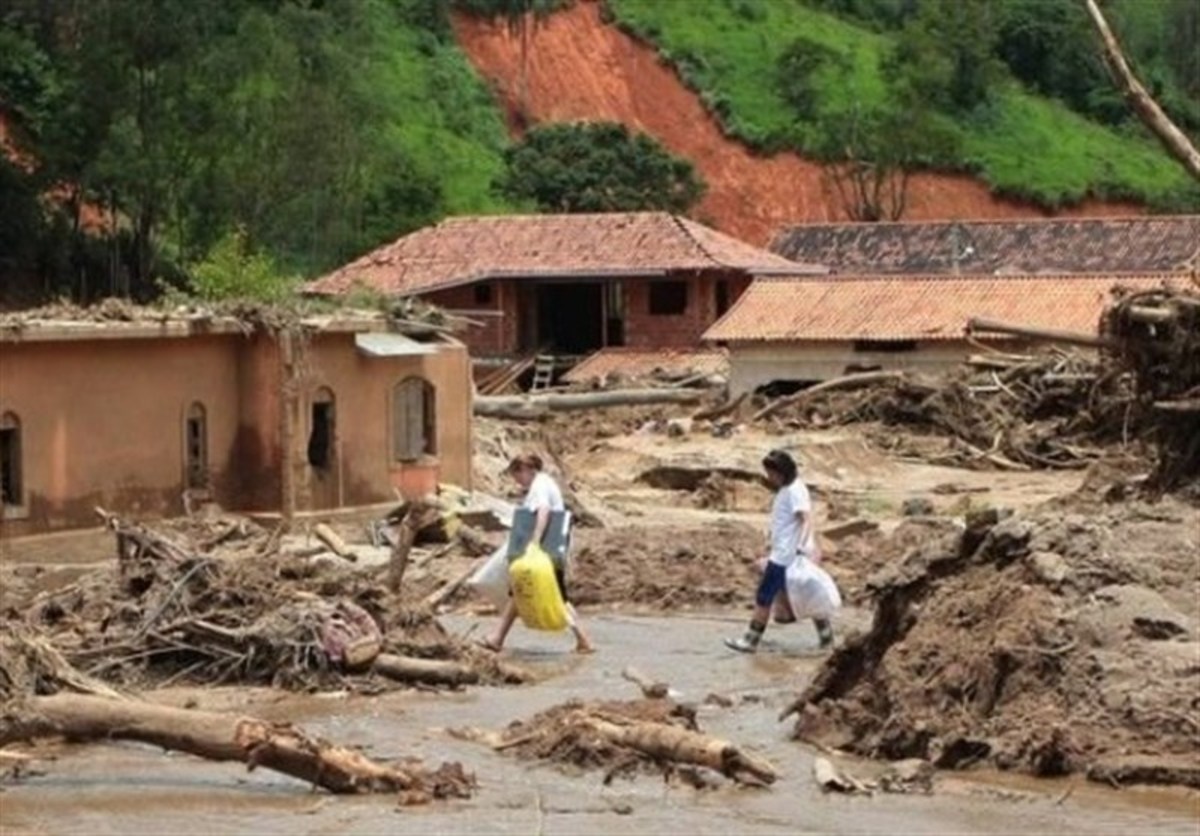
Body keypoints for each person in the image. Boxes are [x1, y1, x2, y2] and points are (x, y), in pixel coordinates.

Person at [480, 453, 594, 654]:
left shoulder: (540, 485)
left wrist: (535, 540)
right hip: (548, 548)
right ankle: (497, 638)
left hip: (544, 548)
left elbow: (543, 511)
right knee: (519, 590)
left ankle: (584, 639)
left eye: (517, 475)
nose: (517, 481)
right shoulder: (542, 483)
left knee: (555, 594)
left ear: (526, 470)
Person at [725, 448, 833, 653]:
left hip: (785, 556)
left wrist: (802, 548)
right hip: (785, 552)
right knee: (810, 596)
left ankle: (750, 641)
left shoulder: (794, 491)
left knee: (764, 597)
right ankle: (827, 642)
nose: (769, 478)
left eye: (771, 474)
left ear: (781, 472)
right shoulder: (791, 488)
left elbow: (806, 519)